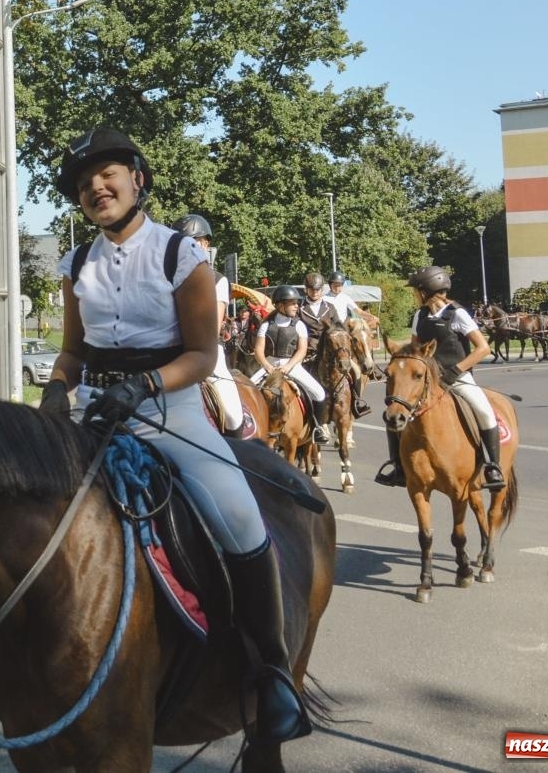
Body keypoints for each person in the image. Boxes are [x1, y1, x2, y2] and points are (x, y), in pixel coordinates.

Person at [39, 128, 311, 745]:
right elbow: (72, 351)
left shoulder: (180, 255)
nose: (95, 189)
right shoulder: (75, 263)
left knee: (241, 516)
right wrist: (57, 388)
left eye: (106, 175)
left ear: (137, 178)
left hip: (171, 410)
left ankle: (271, 672)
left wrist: (142, 388)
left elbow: (201, 352)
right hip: (94, 413)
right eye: (84, 185)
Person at [375, 265, 505, 491]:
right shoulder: (420, 315)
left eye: (416, 291)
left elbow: (483, 348)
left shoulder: (457, 314)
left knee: (484, 411)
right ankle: (398, 466)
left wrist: (456, 371)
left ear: (426, 291)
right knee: (396, 410)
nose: (414, 295)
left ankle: (493, 465)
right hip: (426, 381)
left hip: (458, 378)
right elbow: (414, 349)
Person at [172, 213, 249, 439]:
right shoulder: (165, 278)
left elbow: (212, 328)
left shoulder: (217, 280)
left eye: (194, 242)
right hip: (168, 354)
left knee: (234, 417)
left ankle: (239, 460)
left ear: (205, 244)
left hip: (206, 355)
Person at [250, 285, 329, 430]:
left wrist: (287, 366)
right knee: (247, 390)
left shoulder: (299, 325)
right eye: (292, 303)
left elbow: (301, 350)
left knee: (319, 393)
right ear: (281, 305)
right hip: (270, 365)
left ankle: (319, 428)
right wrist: (267, 366)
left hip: (292, 366)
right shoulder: (266, 325)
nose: (296, 306)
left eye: (297, 303)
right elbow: (258, 350)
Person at [318, 272, 373, 414]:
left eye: (340, 285)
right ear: (330, 285)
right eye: (335, 285)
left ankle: (358, 400)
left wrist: (372, 317)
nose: (338, 288)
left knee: (357, 368)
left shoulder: (345, 298)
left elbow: (358, 311)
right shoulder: (324, 299)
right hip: (331, 335)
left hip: (345, 334)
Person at [295, 273, 337, 443]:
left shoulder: (330, 307)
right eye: (312, 289)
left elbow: (337, 327)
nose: (315, 292)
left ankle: (357, 402)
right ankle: (316, 421)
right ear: (306, 290)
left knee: (353, 372)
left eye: (318, 289)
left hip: (328, 350)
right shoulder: (299, 308)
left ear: (322, 289)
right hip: (308, 350)